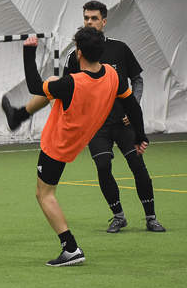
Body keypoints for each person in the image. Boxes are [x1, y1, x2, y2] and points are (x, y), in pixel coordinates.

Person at [2, 0, 165, 233]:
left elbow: (135, 85)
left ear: (104, 21)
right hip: (96, 126)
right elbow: (64, 89)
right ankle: (118, 216)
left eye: (94, 18)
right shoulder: (78, 58)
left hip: (120, 123)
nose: (89, 21)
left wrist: (136, 122)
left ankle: (151, 217)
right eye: (86, 18)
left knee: (137, 166)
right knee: (103, 167)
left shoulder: (119, 49)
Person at [22, 27, 149, 266]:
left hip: (58, 142)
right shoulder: (112, 74)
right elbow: (132, 104)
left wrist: (29, 52)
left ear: (79, 53)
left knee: (44, 194)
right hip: (83, 137)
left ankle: (70, 248)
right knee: (52, 84)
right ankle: (17, 115)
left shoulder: (71, 83)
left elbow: (34, 86)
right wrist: (140, 136)